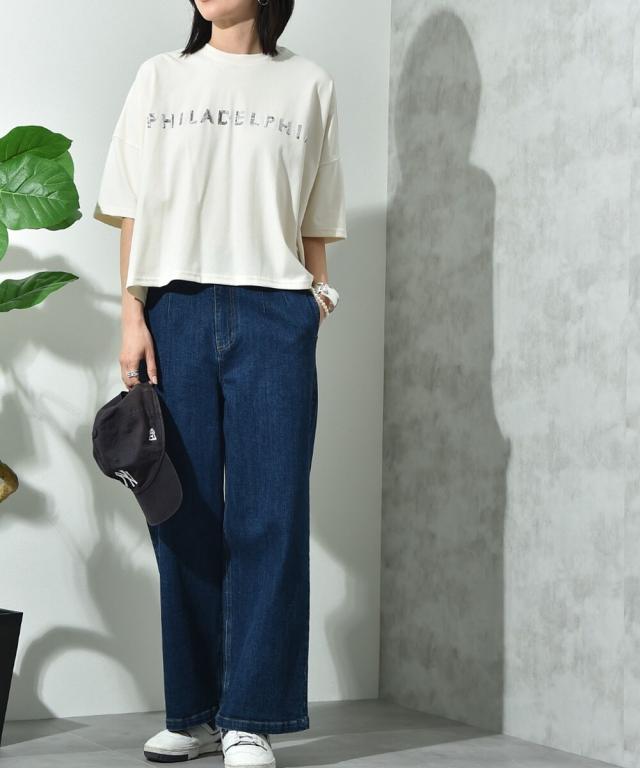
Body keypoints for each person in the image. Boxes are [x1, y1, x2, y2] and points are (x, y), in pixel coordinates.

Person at [93, 0, 347, 765]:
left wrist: (316, 298)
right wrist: (132, 312)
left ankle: (251, 716)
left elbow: (317, 212)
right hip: (174, 309)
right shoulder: (160, 78)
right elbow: (132, 206)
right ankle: (196, 711)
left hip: (275, 311)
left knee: (272, 515)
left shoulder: (308, 84)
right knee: (181, 511)